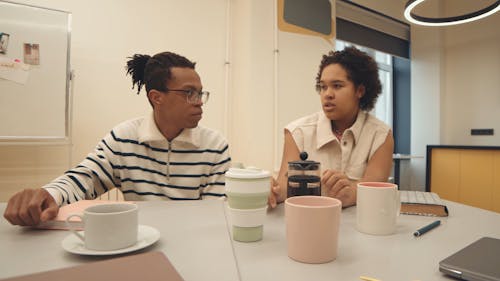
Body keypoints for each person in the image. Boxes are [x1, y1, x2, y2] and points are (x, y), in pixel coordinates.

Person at [4, 51, 231, 226]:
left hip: (191, 243)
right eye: (189, 93)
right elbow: (84, 179)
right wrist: (48, 195)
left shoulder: (214, 146)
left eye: (200, 93)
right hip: (138, 243)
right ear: (156, 97)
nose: (199, 101)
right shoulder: (124, 138)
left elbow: (212, 215)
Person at [269, 46, 394, 208]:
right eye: (323, 87)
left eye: (337, 86)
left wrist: (350, 193)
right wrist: (272, 191)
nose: (327, 94)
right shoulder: (297, 132)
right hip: (308, 222)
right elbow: (285, 188)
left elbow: (374, 191)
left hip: (359, 228)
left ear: (360, 90)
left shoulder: (380, 136)